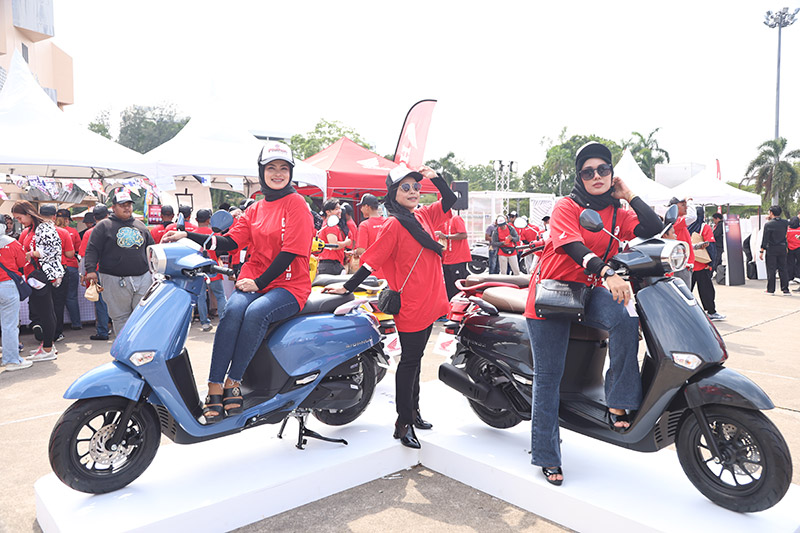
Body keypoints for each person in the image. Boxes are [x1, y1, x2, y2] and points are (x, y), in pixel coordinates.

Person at [523, 142, 662, 485]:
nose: (596, 176)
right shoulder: (566, 206)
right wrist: (606, 272)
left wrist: (629, 194)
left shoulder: (617, 211)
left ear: (612, 174)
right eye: (588, 172)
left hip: (586, 291)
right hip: (552, 293)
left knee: (625, 318)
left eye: (603, 169)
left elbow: (652, 226)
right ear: (579, 177)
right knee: (549, 377)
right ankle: (547, 455)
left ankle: (618, 400)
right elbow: (573, 246)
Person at [162, 141, 313, 424]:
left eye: (283, 168)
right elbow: (230, 241)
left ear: (291, 172)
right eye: (271, 167)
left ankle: (234, 381)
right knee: (231, 310)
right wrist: (188, 236)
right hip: (254, 279)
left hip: (289, 285)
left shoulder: (297, 204)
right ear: (261, 171)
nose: (277, 173)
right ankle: (214, 384)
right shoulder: (255, 208)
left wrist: (259, 282)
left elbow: (291, 251)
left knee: (256, 312)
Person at [325, 164, 458, 449]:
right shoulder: (394, 224)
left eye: (416, 187)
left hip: (431, 299)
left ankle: (414, 411)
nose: (413, 192)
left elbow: (450, 200)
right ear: (393, 193)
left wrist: (437, 178)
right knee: (409, 363)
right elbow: (371, 262)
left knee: (417, 359)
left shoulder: (423, 215)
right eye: (405, 187)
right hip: (411, 304)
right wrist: (347, 287)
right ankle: (403, 423)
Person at [84, 190, 155, 334]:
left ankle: (139, 345)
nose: (126, 208)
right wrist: (90, 270)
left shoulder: (140, 225)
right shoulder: (104, 226)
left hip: (142, 277)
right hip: (114, 278)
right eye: (122, 205)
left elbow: (151, 249)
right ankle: (124, 346)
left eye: (129, 205)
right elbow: (92, 249)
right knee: (121, 317)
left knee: (142, 315)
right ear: (114, 207)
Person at [12, 201, 63, 362]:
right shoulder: (33, 228)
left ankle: (47, 347)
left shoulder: (43, 227)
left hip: (42, 275)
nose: (19, 221)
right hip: (35, 275)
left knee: (46, 311)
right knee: (44, 311)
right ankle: (48, 346)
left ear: (28, 214)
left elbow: (54, 250)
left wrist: (33, 253)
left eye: (19, 218)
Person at [80, 204, 112, 340]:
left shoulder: (89, 233)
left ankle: (103, 331)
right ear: (107, 215)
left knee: (100, 303)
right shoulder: (114, 229)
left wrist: (84, 274)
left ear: (94, 217)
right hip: (115, 271)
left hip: (97, 271)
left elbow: (84, 256)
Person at [193, 208, 228, 332]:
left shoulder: (192, 234)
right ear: (209, 220)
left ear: (196, 219)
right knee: (220, 295)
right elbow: (222, 249)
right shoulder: (215, 234)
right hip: (213, 268)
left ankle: (204, 323)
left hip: (198, 270)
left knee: (201, 296)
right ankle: (223, 322)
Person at [688, 207, 724, 321]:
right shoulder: (704, 227)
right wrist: (711, 263)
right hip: (701, 264)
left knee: (686, 290)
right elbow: (710, 245)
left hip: (688, 264)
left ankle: (682, 312)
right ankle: (711, 312)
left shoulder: (684, 226)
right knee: (706, 290)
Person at [0, 233, 29, 371]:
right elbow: (22, 263)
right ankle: (11, 360)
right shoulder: (12, 242)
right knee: (10, 325)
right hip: (7, 285)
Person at [55, 208, 83, 335]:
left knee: (56, 298)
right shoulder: (72, 232)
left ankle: (57, 327)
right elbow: (78, 249)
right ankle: (76, 323)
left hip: (55, 267)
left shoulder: (50, 231)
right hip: (71, 266)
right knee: (71, 296)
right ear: (66, 220)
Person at [435, 213, 471, 300]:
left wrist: (446, 236)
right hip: (447, 259)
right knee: (448, 286)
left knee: (457, 286)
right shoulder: (443, 222)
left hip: (458, 258)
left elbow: (464, 235)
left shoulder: (456, 219)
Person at [760, 205, 790, 295]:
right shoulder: (785, 223)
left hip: (771, 248)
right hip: (782, 248)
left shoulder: (768, 224)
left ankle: (770, 290)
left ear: (771, 213)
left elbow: (765, 239)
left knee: (771, 269)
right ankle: (785, 289)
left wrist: (762, 251)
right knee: (783, 269)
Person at [667, 196, 697, 288]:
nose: (686, 207)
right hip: (681, 267)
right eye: (683, 205)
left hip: (682, 265)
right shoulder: (675, 221)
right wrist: (689, 201)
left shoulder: (677, 222)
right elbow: (692, 216)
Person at [316, 199, 351, 276]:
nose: (340, 211)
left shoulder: (328, 224)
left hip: (329, 264)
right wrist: (346, 242)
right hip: (331, 265)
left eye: (339, 208)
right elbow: (333, 245)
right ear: (328, 212)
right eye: (336, 209)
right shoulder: (330, 226)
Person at [354, 194, 386, 278]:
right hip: (387, 272)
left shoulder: (365, 225)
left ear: (367, 207)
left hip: (370, 273)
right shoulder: (388, 222)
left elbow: (361, 250)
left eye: (361, 207)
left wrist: (355, 252)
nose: (361, 209)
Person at [787, 216, 800, 291]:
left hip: (790, 248)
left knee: (790, 263)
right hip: (799, 248)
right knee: (798, 263)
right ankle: (798, 276)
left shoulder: (788, 230)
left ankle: (790, 277)